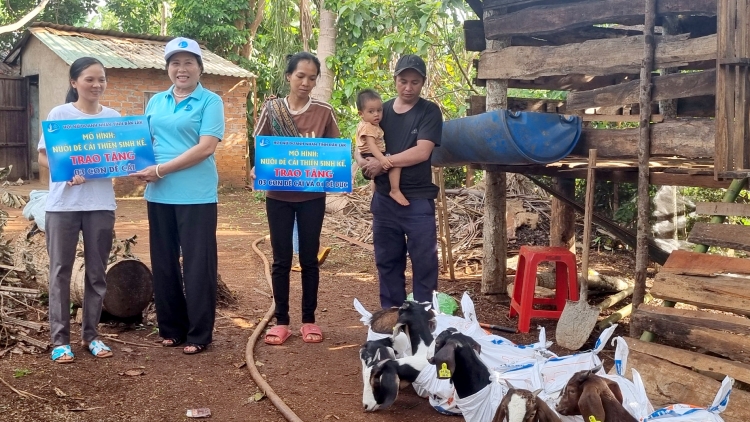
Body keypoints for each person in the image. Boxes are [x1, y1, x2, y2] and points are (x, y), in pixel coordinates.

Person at [131, 37, 224, 355]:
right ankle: (171, 328)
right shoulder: (156, 101)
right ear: (167, 68)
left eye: (188, 63)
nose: (181, 69)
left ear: (199, 68)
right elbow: (141, 142)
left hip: (196, 195)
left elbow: (205, 147)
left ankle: (199, 334)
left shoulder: (210, 101)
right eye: (175, 63)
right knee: (164, 261)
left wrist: (160, 170)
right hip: (158, 195)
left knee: (199, 264)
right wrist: (134, 165)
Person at [250, 52, 340, 345]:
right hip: (278, 195)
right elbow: (260, 146)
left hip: (312, 196)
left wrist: (339, 174)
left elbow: (334, 152)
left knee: (310, 259)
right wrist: (255, 168)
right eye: (300, 75)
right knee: (281, 259)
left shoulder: (324, 112)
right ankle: (282, 322)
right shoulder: (271, 109)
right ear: (288, 76)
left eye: (312, 77)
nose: (305, 82)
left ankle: (309, 320)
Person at [39, 57, 117, 363]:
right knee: (60, 272)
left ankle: (91, 336)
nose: (97, 85)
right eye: (89, 79)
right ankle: (60, 341)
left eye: (101, 79)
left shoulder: (113, 118)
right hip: (62, 206)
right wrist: (66, 170)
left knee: (97, 274)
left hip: (101, 204)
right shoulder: (60, 114)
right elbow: (44, 156)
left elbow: (121, 158)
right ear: (74, 83)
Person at [355, 54, 443, 309]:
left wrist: (385, 162)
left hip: (417, 201)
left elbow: (422, 152)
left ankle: (423, 319)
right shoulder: (381, 112)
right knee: (388, 263)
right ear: (395, 80)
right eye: (403, 80)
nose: (408, 87)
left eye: (415, 82)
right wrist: (364, 164)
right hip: (384, 201)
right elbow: (360, 143)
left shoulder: (429, 111)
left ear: (423, 82)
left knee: (424, 263)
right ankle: (392, 319)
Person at [355, 89, 408, 206]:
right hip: (372, 154)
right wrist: (382, 159)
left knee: (376, 178)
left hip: (369, 155)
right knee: (396, 163)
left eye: (379, 110)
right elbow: (371, 145)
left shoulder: (368, 125)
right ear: (361, 114)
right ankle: (395, 190)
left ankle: (374, 197)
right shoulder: (368, 127)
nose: (376, 114)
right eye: (371, 111)